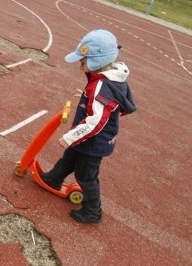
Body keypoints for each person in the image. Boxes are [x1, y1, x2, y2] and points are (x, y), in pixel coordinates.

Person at [41, 29, 136, 224]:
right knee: (69, 158)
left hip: (94, 141)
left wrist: (70, 136)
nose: (80, 66)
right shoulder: (112, 78)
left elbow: (96, 122)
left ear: (96, 62)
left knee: (86, 176)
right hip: (90, 139)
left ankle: (93, 211)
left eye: (83, 62)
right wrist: (89, 98)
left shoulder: (101, 85)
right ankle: (53, 178)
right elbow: (120, 102)